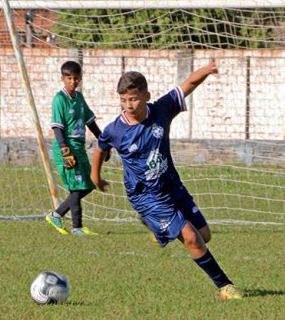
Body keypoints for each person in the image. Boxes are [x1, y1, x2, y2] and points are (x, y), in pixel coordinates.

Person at [90, 61, 243, 300]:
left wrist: (208, 69)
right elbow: (101, 147)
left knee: (204, 235)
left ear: (146, 95)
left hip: (171, 185)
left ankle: (155, 227)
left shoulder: (161, 109)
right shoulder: (116, 129)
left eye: (133, 99)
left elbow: (188, 85)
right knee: (192, 239)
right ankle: (225, 286)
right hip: (145, 196)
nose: (128, 106)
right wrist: (95, 176)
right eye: (123, 100)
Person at [45, 60, 104, 236]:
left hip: (80, 148)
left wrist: (103, 141)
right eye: (69, 78)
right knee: (78, 188)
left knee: (87, 184)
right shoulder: (59, 100)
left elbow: (90, 121)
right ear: (62, 78)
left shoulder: (79, 98)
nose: (73, 81)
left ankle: (73, 225)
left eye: (76, 78)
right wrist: (64, 150)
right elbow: (57, 127)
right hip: (67, 149)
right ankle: (62, 218)